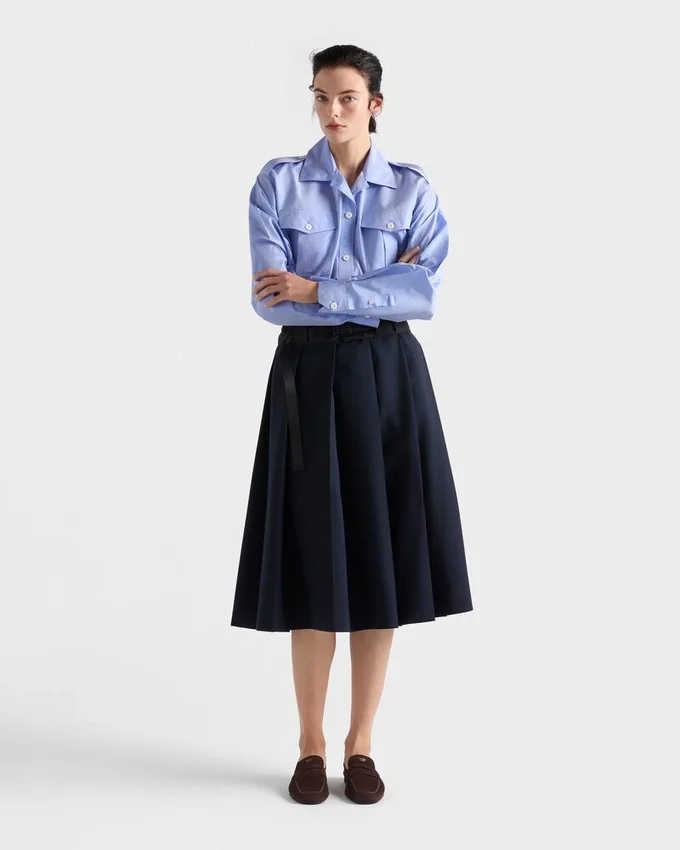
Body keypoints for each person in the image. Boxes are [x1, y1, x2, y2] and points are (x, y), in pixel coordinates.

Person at [230, 44, 473, 804]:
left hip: (390, 381)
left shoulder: (413, 190)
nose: (330, 112)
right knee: (314, 563)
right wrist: (373, 286)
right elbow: (271, 301)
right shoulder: (277, 184)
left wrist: (319, 288)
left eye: (345, 98)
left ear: (375, 104)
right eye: (320, 97)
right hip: (306, 379)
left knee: (377, 562)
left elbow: (422, 296)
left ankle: (360, 746)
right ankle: (309, 745)